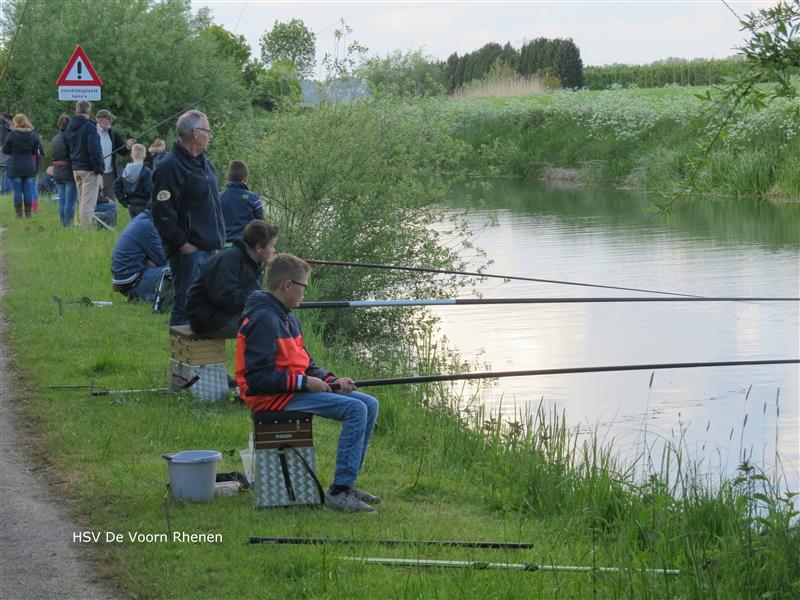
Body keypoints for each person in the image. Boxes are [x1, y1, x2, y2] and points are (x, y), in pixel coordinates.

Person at [235, 253, 381, 513]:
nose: (306, 292)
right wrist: (304, 383)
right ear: (287, 286)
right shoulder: (264, 320)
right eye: (304, 286)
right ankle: (339, 492)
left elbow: (305, 363)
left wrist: (332, 380)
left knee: (369, 403)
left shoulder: (287, 317)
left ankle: (347, 485)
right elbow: (257, 380)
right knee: (355, 409)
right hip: (269, 397)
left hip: (290, 389)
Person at [151, 110, 225, 326]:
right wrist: (184, 245)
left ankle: (200, 348)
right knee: (185, 304)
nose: (210, 135)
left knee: (203, 304)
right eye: (207, 130)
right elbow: (162, 213)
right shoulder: (170, 166)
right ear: (195, 133)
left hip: (210, 246)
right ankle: (179, 348)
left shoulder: (204, 162)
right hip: (189, 250)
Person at [186, 220, 277, 338]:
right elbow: (224, 297)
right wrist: (259, 297)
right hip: (207, 319)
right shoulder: (230, 259)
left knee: (273, 318)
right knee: (267, 324)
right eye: (272, 246)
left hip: (223, 314)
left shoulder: (253, 262)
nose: (274, 250)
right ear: (259, 248)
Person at [111, 209, 169, 303]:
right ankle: (146, 297)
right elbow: (163, 261)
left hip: (125, 279)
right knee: (177, 270)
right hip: (132, 280)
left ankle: (142, 297)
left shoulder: (142, 219)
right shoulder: (148, 226)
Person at [63, 100, 103, 228]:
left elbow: (66, 148)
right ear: (89, 111)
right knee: (88, 202)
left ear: (77, 110)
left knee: (81, 200)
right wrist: (99, 168)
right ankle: (85, 230)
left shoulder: (69, 127)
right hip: (89, 169)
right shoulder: (90, 127)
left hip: (76, 168)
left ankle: (78, 224)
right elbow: (94, 150)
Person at [1, 113, 43, 218]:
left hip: (15, 166)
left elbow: (5, 150)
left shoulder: (12, 135)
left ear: (16, 122)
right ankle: (28, 214)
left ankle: (19, 215)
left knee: (17, 192)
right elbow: (35, 151)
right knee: (27, 190)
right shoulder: (33, 135)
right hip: (28, 166)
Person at [220, 160, 264, 242]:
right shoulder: (253, 199)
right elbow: (260, 226)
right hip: (244, 245)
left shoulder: (218, 198)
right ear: (245, 178)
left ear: (228, 177)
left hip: (221, 244)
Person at [95, 109, 133, 202]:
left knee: (111, 200)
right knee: (94, 199)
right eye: (108, 119)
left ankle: (111, 212)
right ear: (100, 120)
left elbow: (122, 150)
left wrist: (128, 146)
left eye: (111, 119)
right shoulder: (91, 131)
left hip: (109, 173)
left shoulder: (112, 132)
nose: (110, 121)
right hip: (94, 172)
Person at [50, 115, 78, 227]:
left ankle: (63, 224)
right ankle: (68, 225)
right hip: (68, 171)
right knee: (69, 201)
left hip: (57, 171)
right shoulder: (70, 138)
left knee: (62, 201)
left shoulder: (55, 138)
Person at [114, 143, 153, 219]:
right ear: (144, 156)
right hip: (144, 205)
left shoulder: (125, 171)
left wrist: (124, 202)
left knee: (135, 223)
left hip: (131, 205)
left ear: (132, 156)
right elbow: (151, 190)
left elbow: (116, 187)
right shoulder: (146, 171)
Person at [0, 112, 12, 195]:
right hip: (4, 152)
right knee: (7, 171)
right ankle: (6, 192)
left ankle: (3, 191)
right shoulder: (5, 127)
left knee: (5, 171)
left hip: (2, 151)